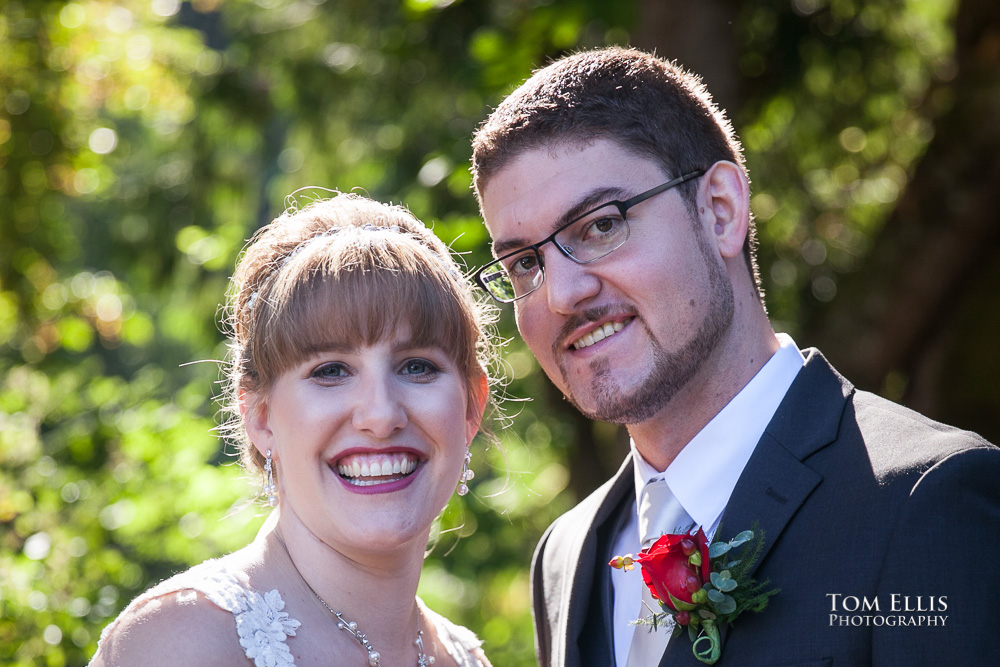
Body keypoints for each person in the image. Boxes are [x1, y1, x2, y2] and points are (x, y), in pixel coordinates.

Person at [469, 46, 1000, 666]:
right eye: (525, 263)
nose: (561, 295)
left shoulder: (927, 502)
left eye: (601, 225)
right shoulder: (564, 556)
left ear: (720, 210)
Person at [90, 192, 495, 667]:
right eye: (331, 371)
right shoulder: (182, 642)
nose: (382, 415)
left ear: (472, 406)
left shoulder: (464, 656)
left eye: (417, 366)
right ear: (261, 418)